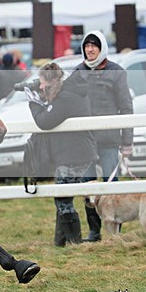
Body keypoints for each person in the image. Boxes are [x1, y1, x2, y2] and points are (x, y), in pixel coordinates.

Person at [71, 30, 134, 242]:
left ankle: (114, 230)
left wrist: (127, 141)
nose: (90, 50)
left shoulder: (117, 72)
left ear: (102, 48)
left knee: (111, 185)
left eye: (94, 46)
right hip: (84, 141)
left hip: (109, 139)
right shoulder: (77, 72)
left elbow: (126, 108)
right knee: (88, 187)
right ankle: (94, 231)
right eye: (87, 46)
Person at [27, 62, 97, 246]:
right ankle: (60, 242)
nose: (40, 86)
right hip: (73, 153)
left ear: (51, 82)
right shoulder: (66, 93)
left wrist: (33, 103)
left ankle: (74, 242)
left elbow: (44, 121)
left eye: (42, 83)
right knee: (62, 195)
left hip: (74, 154)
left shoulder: (66, 97)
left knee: (62, 197)